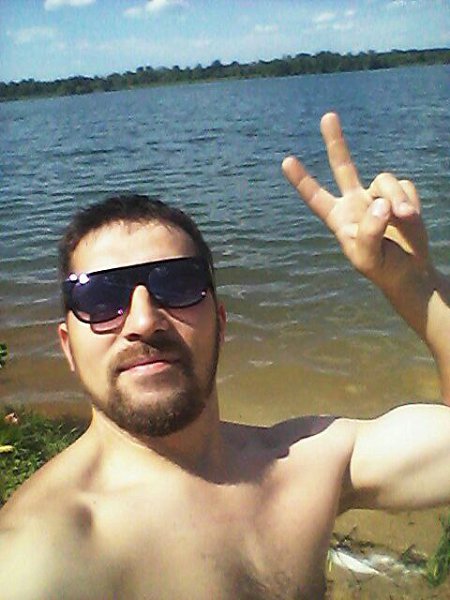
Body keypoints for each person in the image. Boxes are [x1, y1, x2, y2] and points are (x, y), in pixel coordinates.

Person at [0, 113, 449, 600]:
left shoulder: (304, 466)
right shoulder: (43, 553)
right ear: (68, 345)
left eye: (177, 284)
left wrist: (414, 286)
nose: (144, 320)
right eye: (101, 298)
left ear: (220, 321)